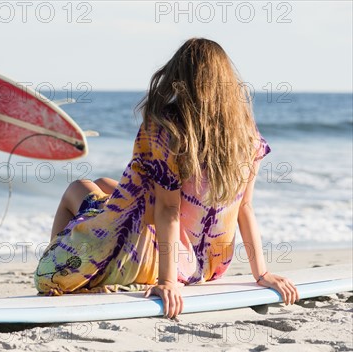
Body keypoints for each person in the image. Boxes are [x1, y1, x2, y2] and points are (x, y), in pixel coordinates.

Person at [34, 38, 300, 318]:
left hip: (146, 257)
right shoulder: (247, 137)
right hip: (206, 266)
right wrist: (263, 273)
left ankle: (59, 265)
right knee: (102, 184)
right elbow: (244, 208)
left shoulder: (166, 128)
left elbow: (169, 209)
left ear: (178, 78)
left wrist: (167, 282)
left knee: (77, 188)